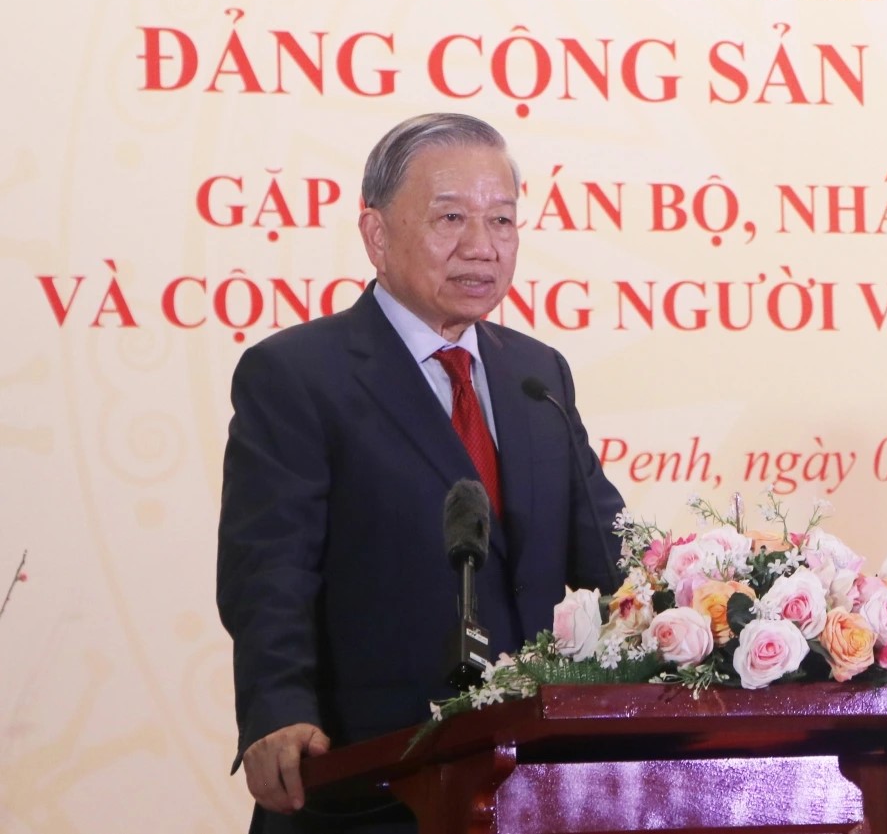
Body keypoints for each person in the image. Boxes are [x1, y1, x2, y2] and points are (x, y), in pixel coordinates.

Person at [216, 113, 625, 833]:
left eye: (502, 220)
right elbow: (269, 570)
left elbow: (607, 553)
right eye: (451, 218)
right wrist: (276, 709)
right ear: (376, 234)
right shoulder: (298, 375)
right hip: (369, 785)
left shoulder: (537, 374)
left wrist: (715, 614)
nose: (482, 246)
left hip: (529, 787)